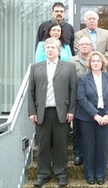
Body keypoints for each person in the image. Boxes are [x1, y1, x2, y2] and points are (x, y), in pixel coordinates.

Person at [28, 37, 77, 187]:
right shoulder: (36, 67)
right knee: (42, 146)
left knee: (60, 145)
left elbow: (73, 90)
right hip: (42, 112)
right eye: (47, 48)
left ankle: (61, 173)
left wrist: (71, 110)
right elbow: (31, 92)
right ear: (44, 50)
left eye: (53, 48)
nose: (50, 50)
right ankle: (43, 174)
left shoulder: (69, 67)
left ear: (59, 50)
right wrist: (32, 112)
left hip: (61, 112)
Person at [75, 51, 108, 185]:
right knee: (88, 146)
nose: (95, 63)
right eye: (93, 61)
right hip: (88, 117)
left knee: (102, 146)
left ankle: (100, 175)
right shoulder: (83, 78)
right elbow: (81, 98)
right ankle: (90, 175)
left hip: (105, 117)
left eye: (98, 61)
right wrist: (95, 115)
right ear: (89, 63)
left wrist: (107, 115)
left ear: (102, 63)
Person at [68, 36, 93, 166]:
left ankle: (89, 154)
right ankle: (78, 154)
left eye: (87, 44)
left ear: (91, 46)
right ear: (78, 46)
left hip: (93, 102)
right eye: (82, 44)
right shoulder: (72, 61)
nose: (84, 46)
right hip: (77, 101)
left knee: (90, 130)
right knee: (77, 129)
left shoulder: (96, 60)